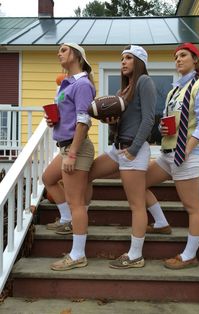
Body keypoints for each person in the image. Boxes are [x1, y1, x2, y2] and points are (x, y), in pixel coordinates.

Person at [145, 42, 199, 269]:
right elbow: (173, 121)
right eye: (175, 56)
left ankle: (189, 255)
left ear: (195, 59)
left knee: (192, 206)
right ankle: (161, 222)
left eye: (183, 55)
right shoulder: (174, 91)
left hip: (187, 154)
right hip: (167, 154)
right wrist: (164, 130)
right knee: (138, 183)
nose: (178, 59)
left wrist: (186, 149)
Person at [87, 45, 156, 269]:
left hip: (133, 151)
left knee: (136, 205)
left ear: (139, 61)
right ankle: (76, 218)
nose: (123, 62)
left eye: (128, 58)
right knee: (86, 175)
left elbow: (148, 120)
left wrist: (134, 149)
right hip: (118, 149)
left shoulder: (145, 82)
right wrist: (112, 123)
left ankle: (135, 255)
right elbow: (122, 125)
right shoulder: (122, 92)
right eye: (122, 59)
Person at [42, 43, 96, 270]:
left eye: (63, 50)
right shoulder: (67, 84)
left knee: (77, 203)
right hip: (65, 146)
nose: (59, 53)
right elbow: (70, 115)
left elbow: (84, 121)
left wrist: (72, 153)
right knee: (48, 179)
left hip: (76, 148)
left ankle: (77, 255)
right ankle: (65, 220)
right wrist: (54, 121)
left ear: (76, 55)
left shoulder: (83, 84)